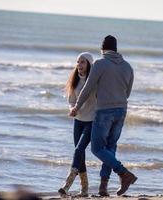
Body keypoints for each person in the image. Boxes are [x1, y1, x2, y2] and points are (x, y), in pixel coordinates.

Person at [70, 35, 137, 196]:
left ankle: (124, 173)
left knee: (97, 148)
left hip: (104, 111)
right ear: (115, 49)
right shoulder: (128, 67)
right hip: (121, 111)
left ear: (102, 49)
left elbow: (87, 88)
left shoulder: (100, 63)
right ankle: (103, 187)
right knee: (110, 147)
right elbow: (127, 93)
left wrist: (77, 106)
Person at [58, 52, 96, 197]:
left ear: (89, 65)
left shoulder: (94, 81)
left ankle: (67, 185)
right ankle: (85, 189)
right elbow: (71, 101)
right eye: (78, 62)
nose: (79, 65)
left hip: (91, 121)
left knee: (78, 150)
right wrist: (72, 109)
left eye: (83, 62)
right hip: (78, 121)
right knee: (80, 154)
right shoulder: (74, 80)